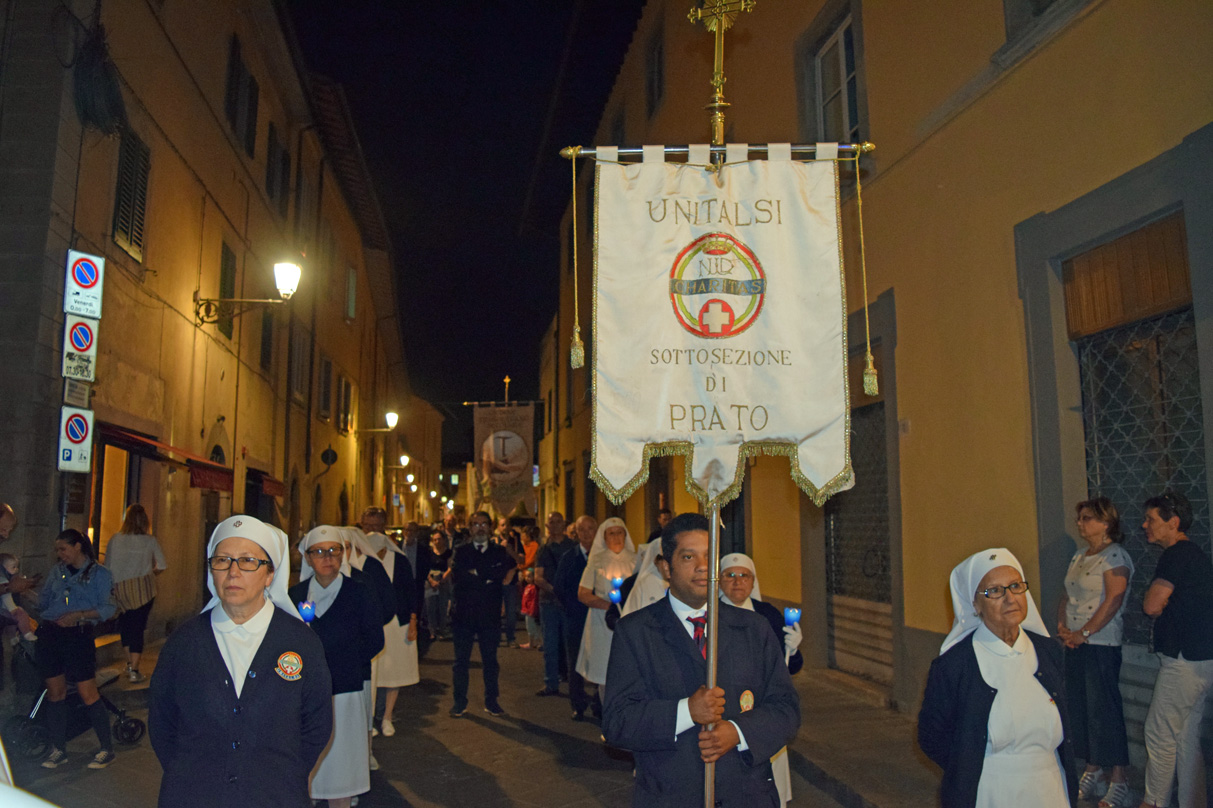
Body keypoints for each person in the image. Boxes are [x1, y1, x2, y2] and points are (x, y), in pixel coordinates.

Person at [602, 513, 801, 807]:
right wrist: (686, 711)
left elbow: (786, 709)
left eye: (710, 555)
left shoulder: (753, 628)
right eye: (688, 557)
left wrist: (738, 732)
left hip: (746, 794)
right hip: (671, 795)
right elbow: (617, 722)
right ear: (666, 567)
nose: (702, 566)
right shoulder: (636, 632)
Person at [149, 515, 332, 808]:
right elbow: (162, 723)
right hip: (193, 796)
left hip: (275, 796)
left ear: (269, 574)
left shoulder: (300, 642)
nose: (233, 572)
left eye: (248, 561)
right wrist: (191, 775)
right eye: (222, 560)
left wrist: (283, 774)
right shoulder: (184, 642)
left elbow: (317, 724)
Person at [918, 547, 1077, 807]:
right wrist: (969, 769)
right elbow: (932, 737)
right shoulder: (954, 665)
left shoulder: (1049, 651)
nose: (1010, 598)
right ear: (975, 605)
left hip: (1050, 787)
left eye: (1015, 586)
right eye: (994, 591)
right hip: (990, 791)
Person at [289, 527, 383, 808]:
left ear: (343, 555)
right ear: (308, 558)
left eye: (334, 550)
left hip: (346, 688)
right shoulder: (294, 595)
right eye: (319, 552)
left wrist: (346, 663)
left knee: (342, 760)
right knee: (309, 759)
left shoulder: (359, 592)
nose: (327, 557)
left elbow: (375, 639)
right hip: (306, 692)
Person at [1056, 497, 1133, 808]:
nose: (1080, 523)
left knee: (1105, 711)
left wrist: (1084, 633)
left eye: (1087, 518)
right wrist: (1063, 627)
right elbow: (1067, 594)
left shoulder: (1115, 556)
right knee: (1082, 709)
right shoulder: (1079, 555)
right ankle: (1093, 769)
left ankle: (1120, 779)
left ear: (1105, 523)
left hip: (1100, 644)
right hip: (1075, 643)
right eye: (1080, 518)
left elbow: (1113, 600)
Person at [1138, 492, 1213, 808]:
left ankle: (1154, 802)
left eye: (1151, 519)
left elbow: (1152, 605)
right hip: (1200, 658)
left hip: (1184, 661)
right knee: (1185, 736)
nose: (1145, 525)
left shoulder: (1177, 554)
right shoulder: (1193, 554)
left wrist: (1157, 600)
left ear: (1174, 522)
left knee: (1160, 733)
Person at [718, 552, 803, 805]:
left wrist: (793, 650)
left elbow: (790, 668)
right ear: (719, 580)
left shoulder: (768, 614)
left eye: (744, 576)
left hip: (763, 707)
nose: (737, 581)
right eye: (730, 575)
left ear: (753, 582)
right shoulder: (710, 613)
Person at [35, 529, 118, 770]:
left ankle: (106, 748)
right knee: (55, 693)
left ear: (78, 546)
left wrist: (79, 615)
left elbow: (108, 608)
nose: (60, 554)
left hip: (77, 636)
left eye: (63, 549)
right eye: (57, 550)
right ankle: (58, 749)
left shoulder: (100, 574)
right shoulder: (57, 571)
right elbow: (44, 601)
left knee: (87, 692)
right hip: (51, 634)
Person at [357, 507, 418, 738]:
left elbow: (410, 592)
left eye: (377, 526)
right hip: (368, 623)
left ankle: (387, 717)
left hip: (396, 623)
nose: (372, 531)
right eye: (368, 527)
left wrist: (413, 620)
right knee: (370, 673)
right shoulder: (356, 559)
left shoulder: (399, 560)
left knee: (394, 671)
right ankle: (369, 717)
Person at [447, 510, 514, 717]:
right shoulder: (461, 551)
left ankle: (492, 701)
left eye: (484, 524)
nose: (480, 528)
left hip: (489, 615)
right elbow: (458, 577)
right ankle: (459, 702)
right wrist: (486, 577)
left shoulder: (499, 552)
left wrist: (475, 573)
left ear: (490, 527)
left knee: (490, 661)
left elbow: (501, 573)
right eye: (476, 524)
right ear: (470, 528)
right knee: (460, 662)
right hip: (463, 614)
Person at [103, 503, 168, 683]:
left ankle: (129, 664)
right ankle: (135, 670)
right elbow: (162, 565)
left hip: (120, 589)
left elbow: (107, 566)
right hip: (143, 590)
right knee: (138, 627)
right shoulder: (150, 541)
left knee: (125, 626)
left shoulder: (115, 539)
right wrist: (150, 573)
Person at [576, 517, 636, 691]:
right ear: (604, 537)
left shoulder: (635, 560)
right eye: (611, 533)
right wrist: (610, 607)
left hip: (629, 620)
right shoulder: (596, 560)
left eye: (619, 533)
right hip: (601, 621)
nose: (616, 537)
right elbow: (583, 593)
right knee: (604, 669)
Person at [555, 515, 596, 719]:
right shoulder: (569, 557)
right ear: (576, 533)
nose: (586, 533)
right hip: (576, 617)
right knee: (575, 661)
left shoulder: (603, 557)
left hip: (599, 616)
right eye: (582, 529)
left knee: (600, 658)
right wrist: (572, 607)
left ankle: (599, 702)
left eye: (590, 529)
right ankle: (577, 703)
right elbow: (559, 586)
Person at [534, 511, 571, 697]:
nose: (555, 525)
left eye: (558, 521)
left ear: (564, 524)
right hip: (548, 601)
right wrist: (554, 589)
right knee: (550, 644)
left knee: (570, 644)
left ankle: (574, 682)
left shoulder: (572, 547)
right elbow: (538, 577)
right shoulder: (543, 549)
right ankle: (551, 682)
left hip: (568, 602)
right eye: (552, 522)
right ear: (547, 526)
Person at [619, 539, 667, 618]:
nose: (667, 566)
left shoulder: (678, 581)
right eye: (663, 561)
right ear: (656, 561)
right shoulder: (643, 584)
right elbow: (630, 616)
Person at [0, 553, 37, 641]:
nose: (16, 570)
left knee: (12, 623)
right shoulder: (3, 580)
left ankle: (13, 638)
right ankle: (27, 633)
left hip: (5, 610)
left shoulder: (8, 579)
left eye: (17, 567)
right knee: (21, 614)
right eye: (13, 567)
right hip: (6, 609)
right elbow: (6, 596)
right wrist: (13, 608)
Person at [425, 531, 453, 639]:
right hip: (431, 581)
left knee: (442, 606)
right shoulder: (429, 552)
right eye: (435, 539)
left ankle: (442, 629)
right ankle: (432, 630)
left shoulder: (448, 552)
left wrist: (443, 578)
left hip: (443, 580)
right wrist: (431, 580)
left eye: (439, 539)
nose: (437, 541)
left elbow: (450, 567)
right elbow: (425, 567)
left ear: (444, 540)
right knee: (430, 606)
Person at [520, 569, 541, 649]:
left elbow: (534, 600)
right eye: (526, 576)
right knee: (530, 627)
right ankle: (534, 642)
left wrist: (532, 610)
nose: (527, 578)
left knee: (532, 627)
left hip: (530, 611)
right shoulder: (527, 587)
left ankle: (533, 643)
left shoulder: (534, 588)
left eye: (529, 576)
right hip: (527, 610)